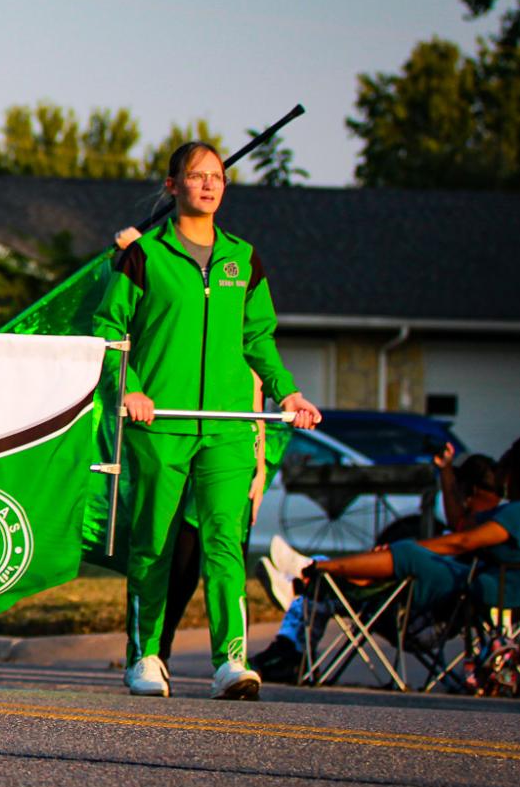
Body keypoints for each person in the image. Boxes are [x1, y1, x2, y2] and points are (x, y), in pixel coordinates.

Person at [93, 141, 321, 700]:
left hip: (226, 426)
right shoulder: (143, 256)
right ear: (173, 186)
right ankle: (143, 657)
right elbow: (107, 333)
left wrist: (287, 392)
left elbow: (257, 338)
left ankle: (230, 662)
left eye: (216, 176)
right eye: (196, 176)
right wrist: (133, 389)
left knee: (226, 542)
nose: (208, 184)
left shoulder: (244, 258)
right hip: (159, 423)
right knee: (153, 544)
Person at [292, 441, 520, 627]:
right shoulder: (509, 510)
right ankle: (314, 576)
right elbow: (462, 525)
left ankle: (312, 572)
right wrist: (447, 472)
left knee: (409, 553)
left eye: (507, 475)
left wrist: (412, 548)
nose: (505, 487)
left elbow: (463, 541)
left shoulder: (515, 511)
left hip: (487, 589)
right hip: (482, 583)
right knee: (404, 556)